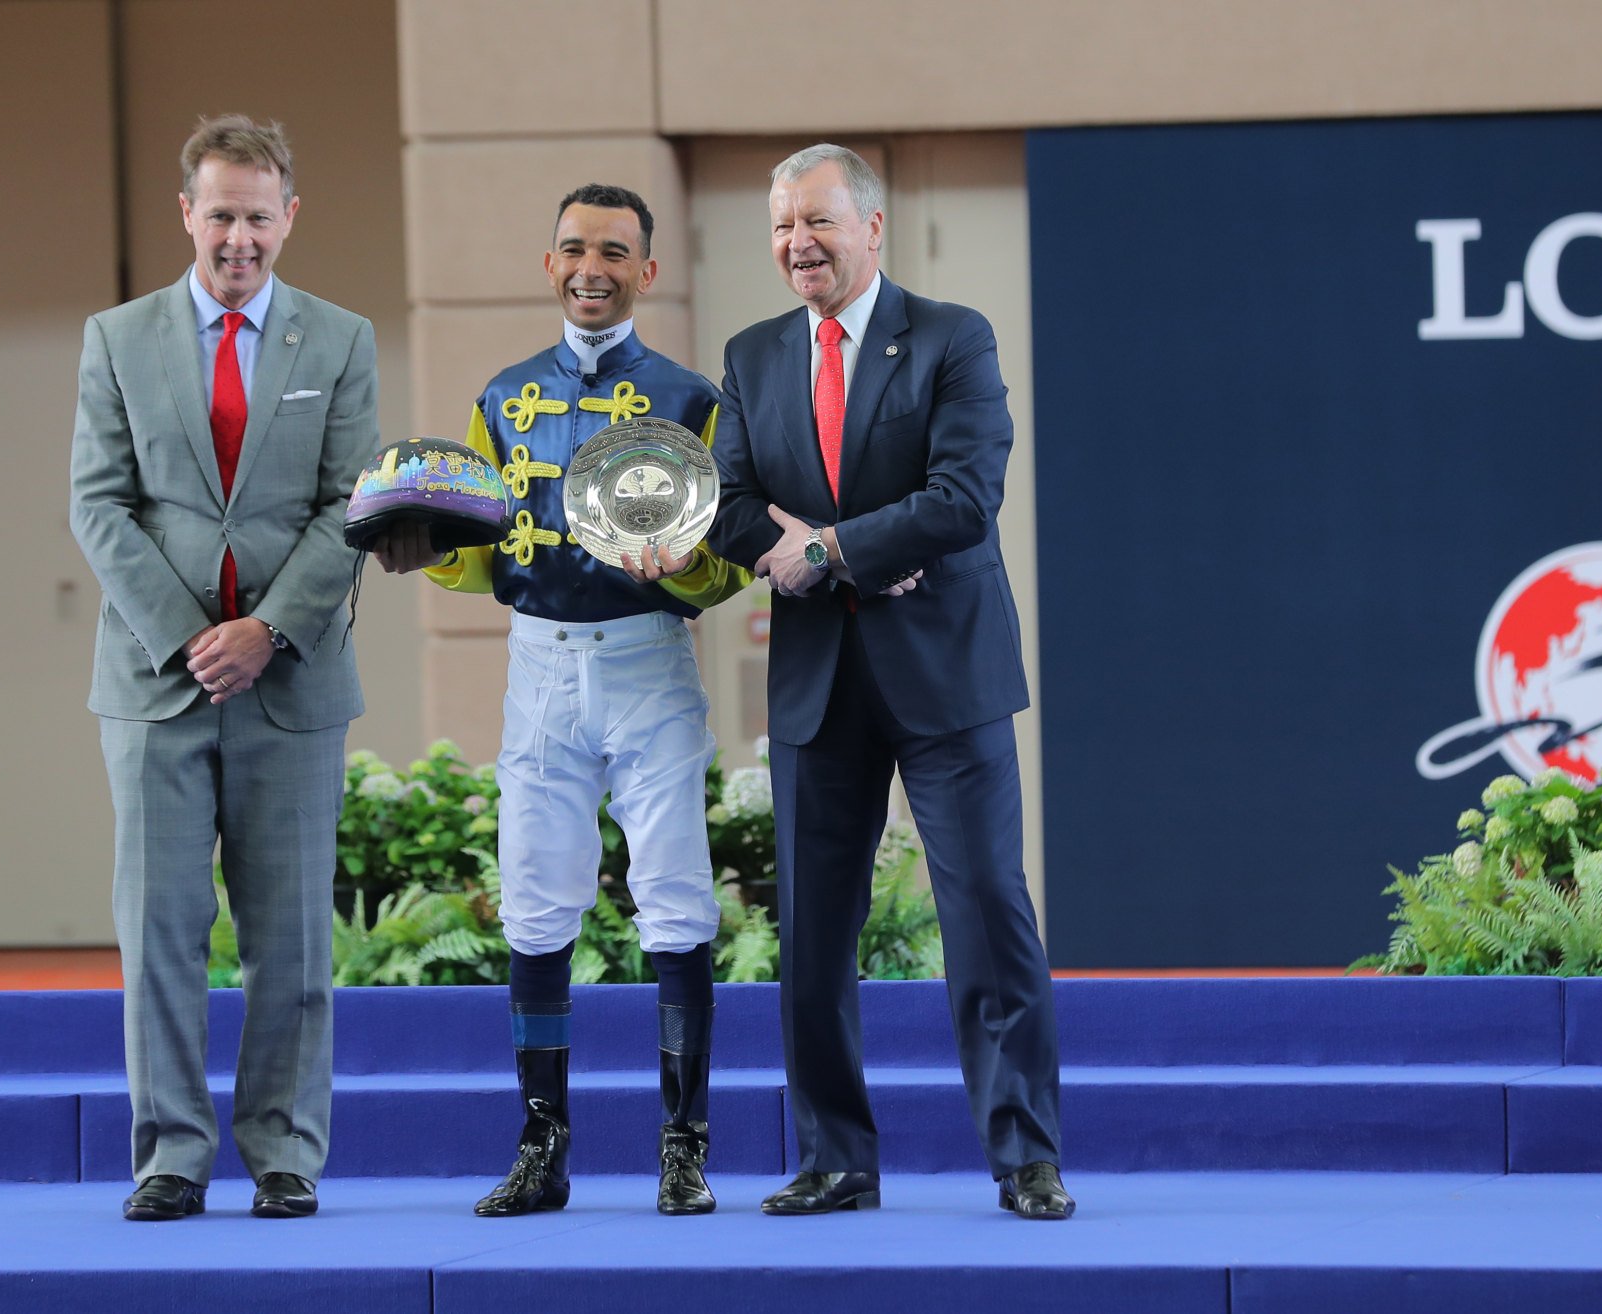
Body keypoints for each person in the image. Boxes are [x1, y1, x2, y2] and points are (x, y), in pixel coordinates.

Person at [706, 144, 1075, 1220]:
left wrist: (827, 548)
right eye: (780, 226)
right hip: (817, 681)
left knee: (986, 911)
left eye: (817, 222)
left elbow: (964, 495)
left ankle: (1024, 1157)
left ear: (873, 227)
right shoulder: (753, 352)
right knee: (814, 930)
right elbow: (728, 508)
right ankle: (834, 1158)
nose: (796, 244)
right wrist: (838, 547)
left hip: (944, 670)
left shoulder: (953, 337)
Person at [372, 183, 751, 1216]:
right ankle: (542, 1148)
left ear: (647, 270)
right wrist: (421, 549)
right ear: (549, 264)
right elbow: (479, 548)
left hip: (646, 662)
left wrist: (673, 567)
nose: (593, 267)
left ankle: (684, 1146)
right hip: (536, 664)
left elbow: (725, 569)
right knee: (537, 905)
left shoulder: (690, 400)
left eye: (616, 251)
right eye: (575, 248)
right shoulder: (499, 399)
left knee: (674, 894)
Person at [70, 115, 377, 1222]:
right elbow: (97, 504)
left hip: (289, 682)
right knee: (159, 932)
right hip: (155, 686)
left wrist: (266, 632)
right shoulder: (118, 337)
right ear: (185, 215)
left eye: (258, 216)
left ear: (288, 217)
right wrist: (188, 636)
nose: (237, 238)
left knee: (289, 934)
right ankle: (169, 1156)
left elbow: (355, 504)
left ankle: (285, 1151)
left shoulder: (340, 340)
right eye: (219, 215)